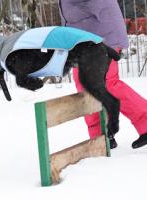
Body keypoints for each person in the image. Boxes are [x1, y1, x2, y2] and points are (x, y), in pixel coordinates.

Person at [58, 0, 147, 149]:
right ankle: (100, 136)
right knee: (85, 88)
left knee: (108, 84)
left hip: (103, 39)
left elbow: (101, 10)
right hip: (81, 42)